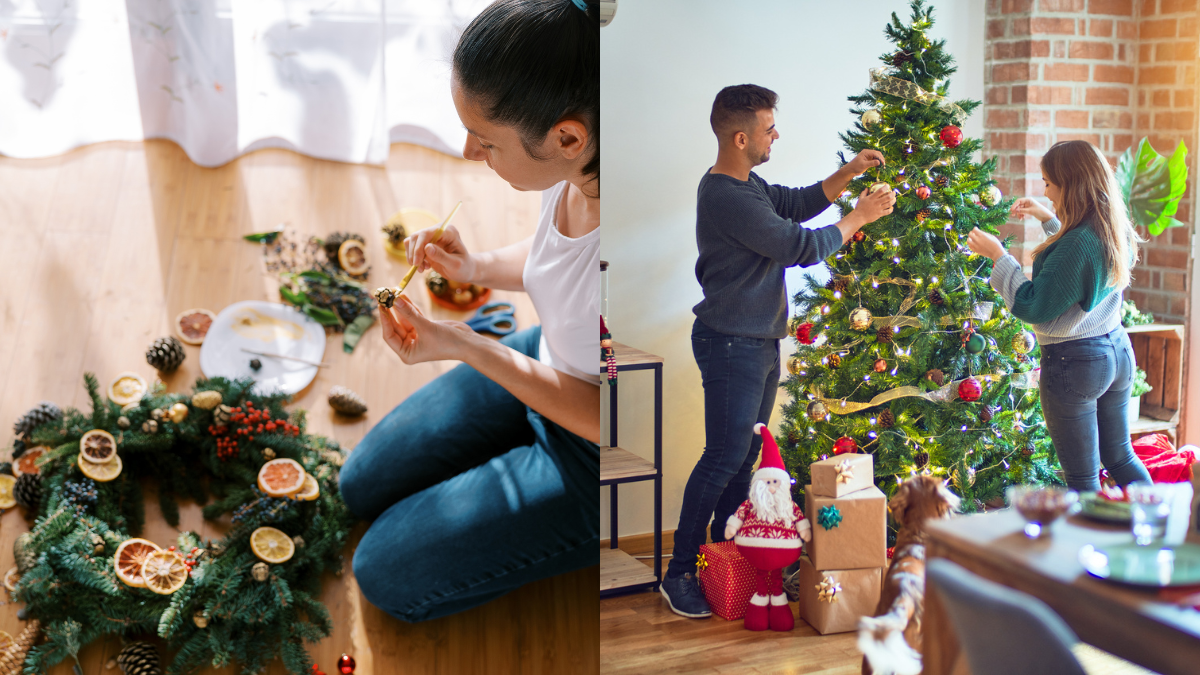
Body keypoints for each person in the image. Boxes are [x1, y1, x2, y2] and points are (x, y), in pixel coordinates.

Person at [338, 0, 600, 622]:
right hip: (548, 361)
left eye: (484, 140)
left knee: (384, 573)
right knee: (359, 485)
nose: (466, 151)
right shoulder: (581, 171)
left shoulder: (635, 259)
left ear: (567, 137)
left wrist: (468, 345)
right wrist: (475, 267)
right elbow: (555, 260)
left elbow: (618, 419)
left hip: (603, 453)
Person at [660, 83, 895, 619]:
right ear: (741, 137)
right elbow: (799, 245)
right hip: (731, 343)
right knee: (721, 458)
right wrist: (860, 217)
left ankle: (723, 560)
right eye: (769, 128)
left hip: (758, 341)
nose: (776, 134)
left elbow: (798, 202)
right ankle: (679, 574)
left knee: (741, 458)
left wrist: (848, 172)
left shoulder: (748, 184)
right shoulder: (725, 195)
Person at [966, 139, 1151, 492]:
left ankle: (1089, 547)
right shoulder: (1110, 226)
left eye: (1050, 183)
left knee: (1082, 480)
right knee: (1122, 458)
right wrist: (1047, 218)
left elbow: (1034, 305)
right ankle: (1159, 529)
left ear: (1072, 185)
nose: (1046, 190)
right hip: (1116, 350)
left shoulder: (1078, 244)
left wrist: (999, 255)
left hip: (1077, 363)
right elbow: (1077, 270)